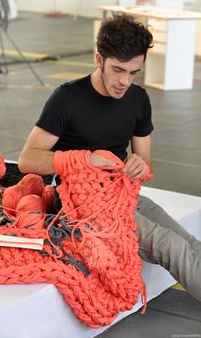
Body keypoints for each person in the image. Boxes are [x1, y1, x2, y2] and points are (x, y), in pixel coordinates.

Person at [18, 15, 201, 301]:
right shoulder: (66, 98)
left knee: (188, 240)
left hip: (120, 195)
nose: (124, 81)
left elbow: (146, 163)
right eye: (118, 70)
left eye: (133, 72)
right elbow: (27, 159)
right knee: (171, 246)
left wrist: (139, 166)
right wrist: (83, 160)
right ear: (98, 59)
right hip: (79, 204)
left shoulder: (139, 98)